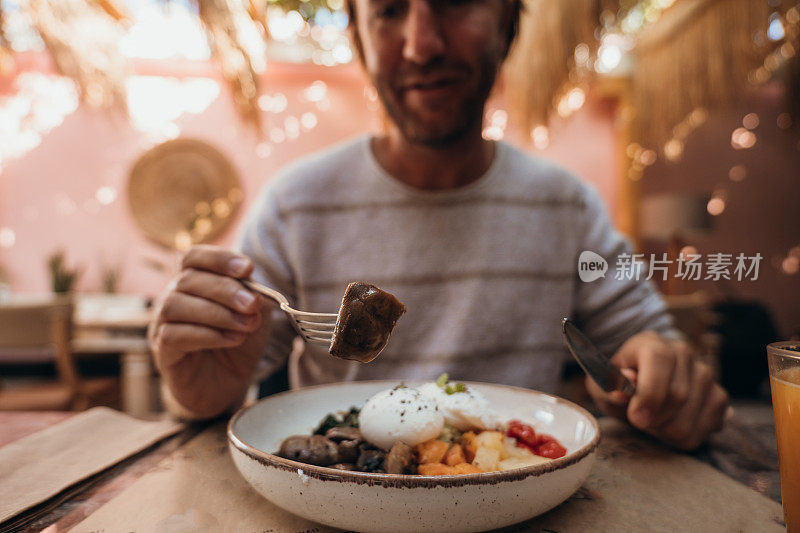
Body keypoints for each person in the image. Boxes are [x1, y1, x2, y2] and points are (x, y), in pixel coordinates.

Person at [148, 0, 729, 450]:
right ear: (359, 38)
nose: (421, 44)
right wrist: (202, 390)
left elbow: (638, 342)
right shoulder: (294, 205)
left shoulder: (568, 206)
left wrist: (659, 373)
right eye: (389, 10)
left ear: (508, 21)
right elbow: (224, 384)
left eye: (454, 1)